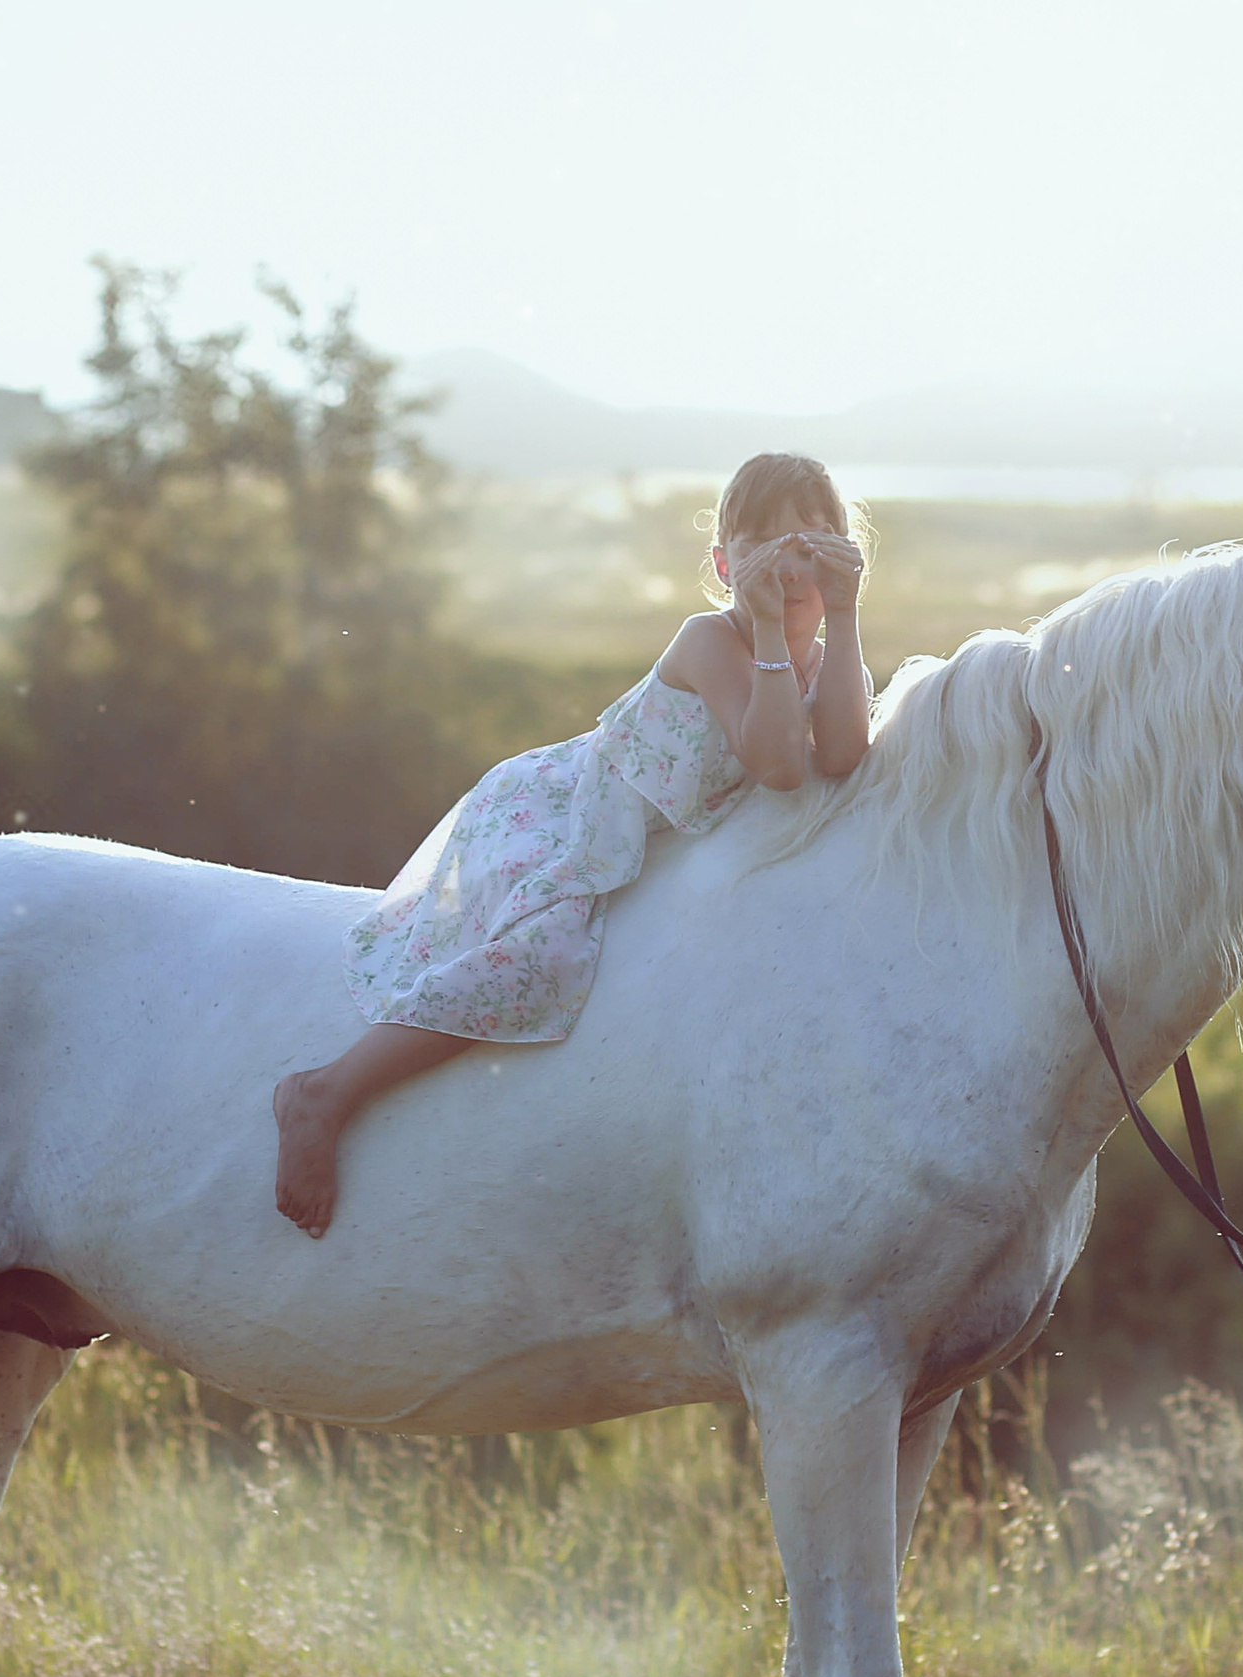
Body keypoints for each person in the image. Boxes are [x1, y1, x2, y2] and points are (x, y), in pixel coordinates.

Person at [272, 451, 875, 1236]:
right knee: (536, 956)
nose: (792, 563)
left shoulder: (826, 656)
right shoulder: (711, 640)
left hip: (652, 845)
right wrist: (767, 625)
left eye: (815, 540)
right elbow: (779, 765)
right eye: (766, 542)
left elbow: (841, 752)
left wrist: (847, 616)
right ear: (726, 565)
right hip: (571, 818)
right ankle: (324, 1094)